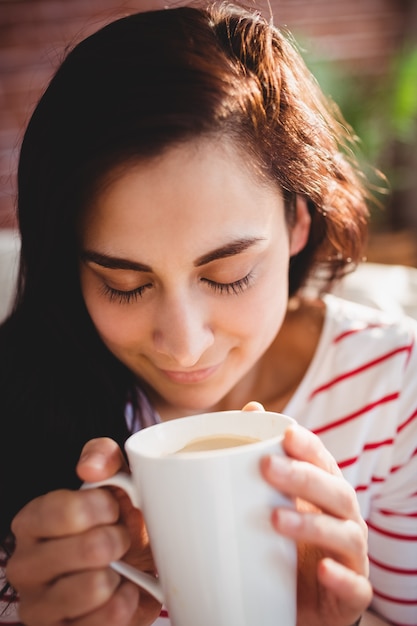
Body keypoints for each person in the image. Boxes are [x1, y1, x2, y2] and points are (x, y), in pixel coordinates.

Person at [0, 2, 416, 625]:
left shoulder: (397, 389)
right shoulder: (21, 407)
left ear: (299, 220)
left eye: (228, 275)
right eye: (124, 284)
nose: (185, 347)